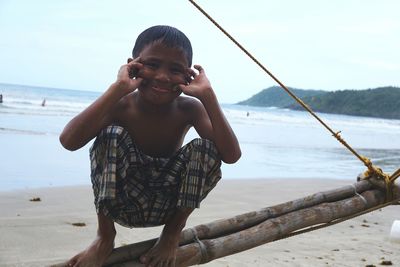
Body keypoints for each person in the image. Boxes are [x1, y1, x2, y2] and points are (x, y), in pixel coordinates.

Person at [59, 25, 241, 267]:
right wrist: (118, 88)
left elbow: (230, 155)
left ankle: (171, 233)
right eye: (152, 65)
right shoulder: (120, 105)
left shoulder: (190, 108)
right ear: (133, 65)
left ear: (189, 75)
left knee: (205, 148)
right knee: (110, 134)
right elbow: (69, 141)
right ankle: (105, 237)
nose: (163, 77)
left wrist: (208, 96)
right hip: (122, 202)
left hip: (170, 205)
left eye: (175, 69)